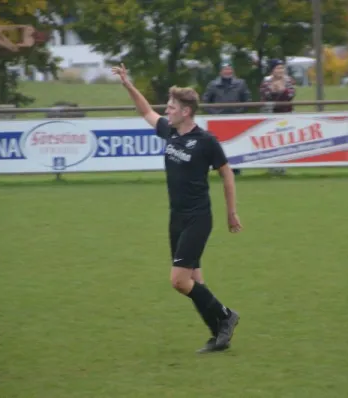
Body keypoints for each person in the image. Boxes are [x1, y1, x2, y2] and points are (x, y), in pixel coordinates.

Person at [112, 63, 242, 354]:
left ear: (186, 112)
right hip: (177, 219)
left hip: (198, 218)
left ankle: (225, 316)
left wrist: (231, 212)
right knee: (194, 281)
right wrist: (127, 84)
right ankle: (219, 334)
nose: (166, 110)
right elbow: (146, 112)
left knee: (179, 281)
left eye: (171, 107)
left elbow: (227, 174)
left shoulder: (206, 141)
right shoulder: (170, 132)